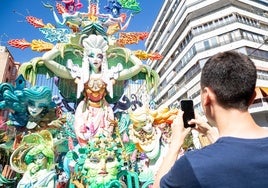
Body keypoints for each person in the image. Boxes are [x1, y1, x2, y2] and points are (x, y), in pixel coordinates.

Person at [153, 51, 268, 187]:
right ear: (252, 97)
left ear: (206, 96)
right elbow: (236, 150)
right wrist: (209, 132)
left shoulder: (193, 166)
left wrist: (175, 143)